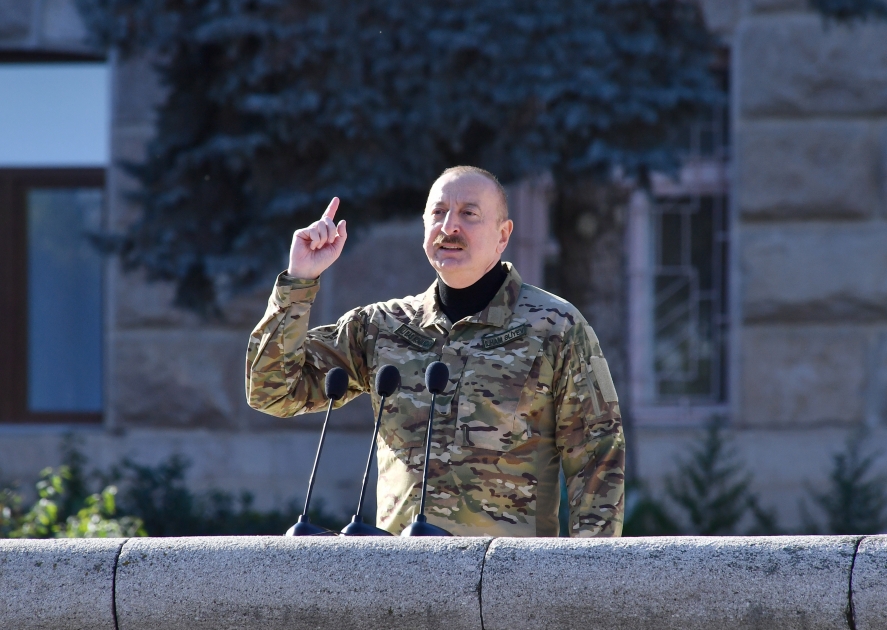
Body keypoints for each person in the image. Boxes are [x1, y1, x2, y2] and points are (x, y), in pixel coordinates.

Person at [246, 166, 625, 537]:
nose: (449, 228)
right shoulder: (382, 327)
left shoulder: (555, 326)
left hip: (506, 585)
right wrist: (300, 280)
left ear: (503, 235)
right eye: (438, 213)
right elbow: (273, 392)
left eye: (469, 214)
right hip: (399, 579)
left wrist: (585, 581)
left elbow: (598, 456)